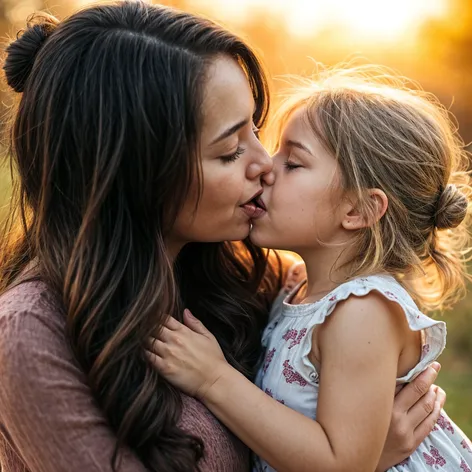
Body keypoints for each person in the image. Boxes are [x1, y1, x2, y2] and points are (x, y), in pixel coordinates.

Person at [0, 2, 444, 471]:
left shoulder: (261, 279)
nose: (264, 165)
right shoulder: (29, 337)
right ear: (138, 173)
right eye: (231, 151)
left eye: (256, 129)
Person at [146, 66, 472, 471]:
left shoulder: (362, 312)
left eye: (293, 163)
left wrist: (214, 379)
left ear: (359, 209)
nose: (266, 167)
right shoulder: (299, 287)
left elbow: (340, 464)